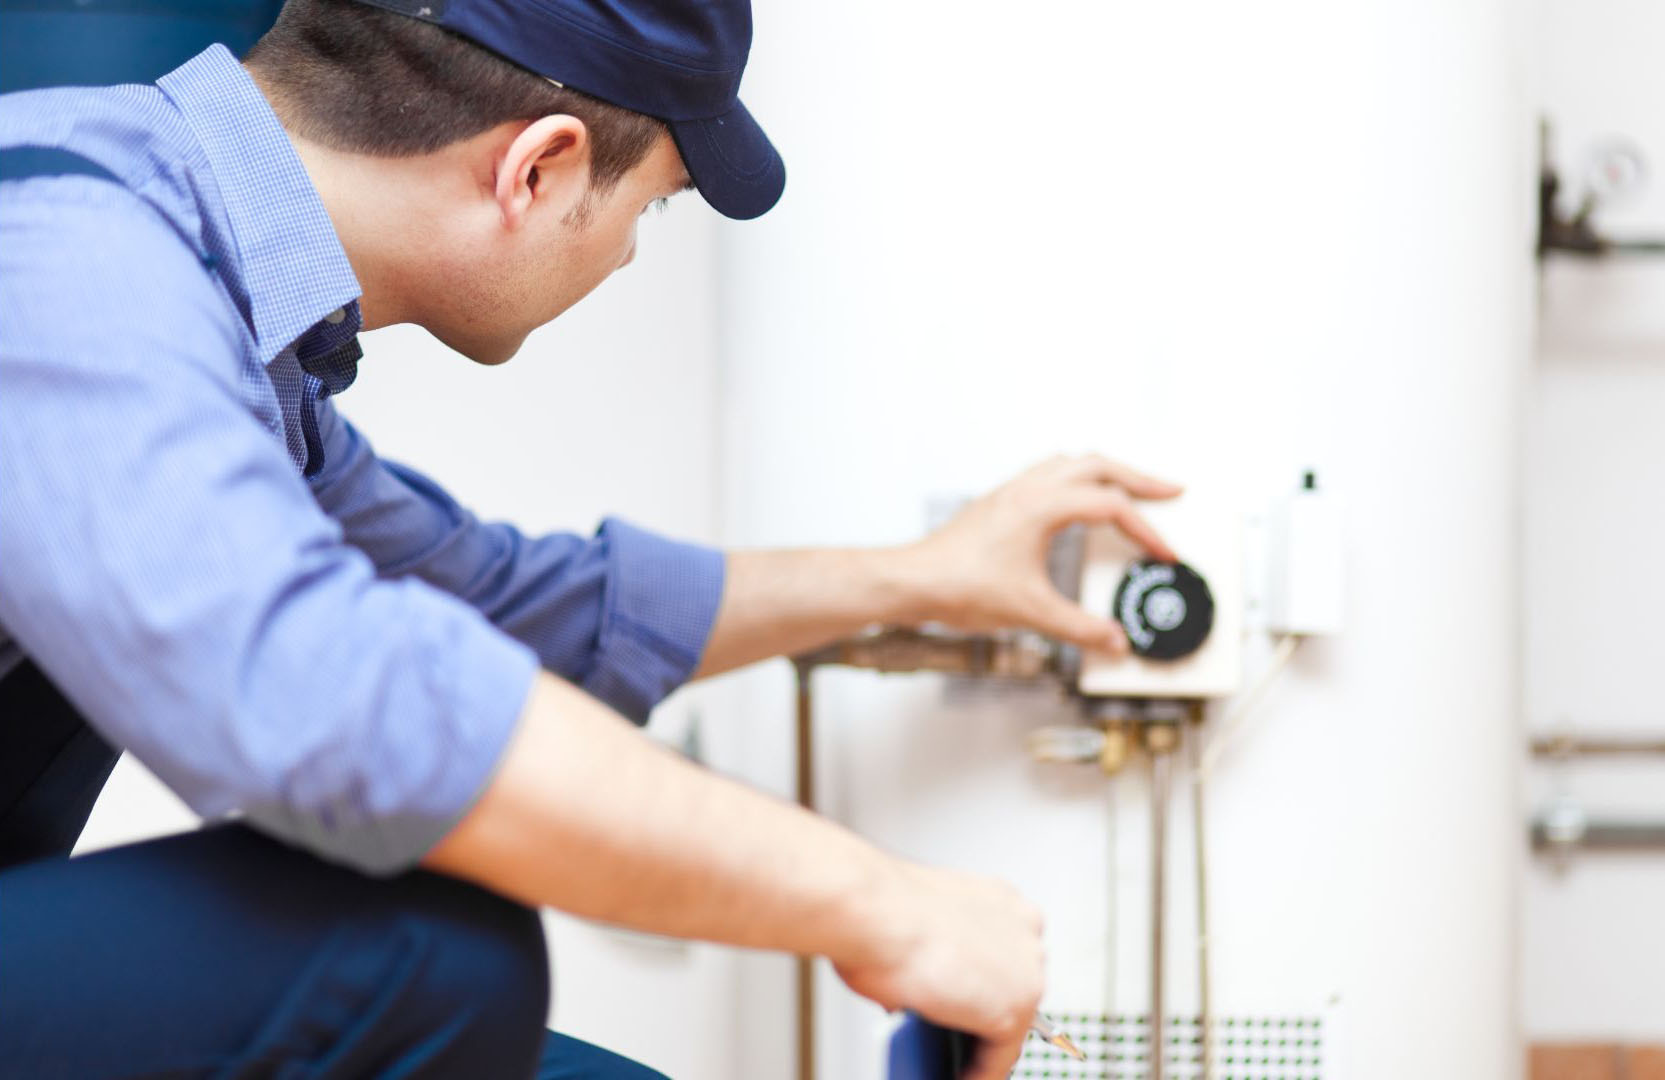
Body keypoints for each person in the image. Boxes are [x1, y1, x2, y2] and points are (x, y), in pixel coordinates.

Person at [0, 0, 1181, 1076]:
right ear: (540, 168)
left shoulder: (225, 310)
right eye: (651, 205)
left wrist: (924, 579)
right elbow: (343, 705)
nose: (626, 251)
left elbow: (506, 605)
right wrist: (882, 903)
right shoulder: (67, 253)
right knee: (430, 947)